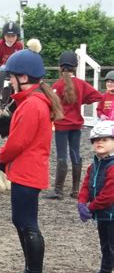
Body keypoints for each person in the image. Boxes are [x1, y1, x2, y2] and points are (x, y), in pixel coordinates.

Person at [0, 42, 64, 273]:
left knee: (27, 223)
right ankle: (29, 272)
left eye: (12, 77)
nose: (10, 81)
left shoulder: (32, 104)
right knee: (21, 221)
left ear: (23, 77)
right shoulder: (31, 100)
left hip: (27, 171)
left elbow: (18, 142)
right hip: (26, 170)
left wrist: (0, 158)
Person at [44, 51, 102, 200]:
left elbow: (51, 104)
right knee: (75, 154)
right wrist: (80, 100)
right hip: (76, 126)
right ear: (74, 68)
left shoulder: (57, 85)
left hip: (62, 126)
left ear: (60, 67)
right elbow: (97, 96)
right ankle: (76, 190)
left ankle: (58, 190)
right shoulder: (81, 84)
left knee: (62, 156)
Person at [78, 120, 114, 273]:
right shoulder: (94, 165)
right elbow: (86, 185)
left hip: (110, 214)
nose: (99, 142)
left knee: (112, 248)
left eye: (105, 139)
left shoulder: (112, 166)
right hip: (103, 215)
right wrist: (81, 202)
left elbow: (109, 195)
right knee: (106, 247)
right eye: (96, 140)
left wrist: (90, 208)